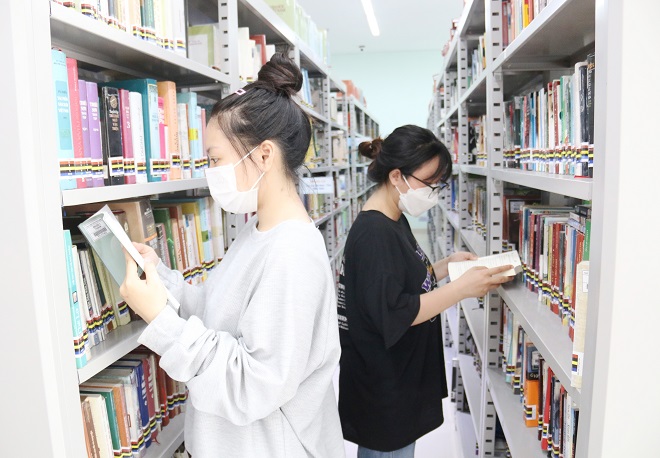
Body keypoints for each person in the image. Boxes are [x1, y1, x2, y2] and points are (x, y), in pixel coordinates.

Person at [118, 53, 345, 458]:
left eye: (215, 159)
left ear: (263, 155)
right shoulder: (257, 231)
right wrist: (161, 281)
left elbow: (254, 384)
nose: (209, 172)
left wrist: (161, 321)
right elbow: (216, 311)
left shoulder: (291, 253)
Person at [337, 125, 513, 457]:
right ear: (396, 176)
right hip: (385, 390)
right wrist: (461, 289)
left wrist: (447, 265)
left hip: (398, 381)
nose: (434, 189)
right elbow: (395, 311)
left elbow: (398, 279)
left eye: (438, 181)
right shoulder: (374, 233)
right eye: (429, 181)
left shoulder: (392, 216)